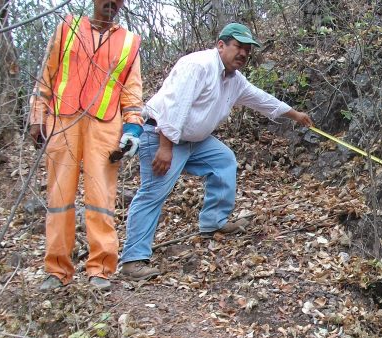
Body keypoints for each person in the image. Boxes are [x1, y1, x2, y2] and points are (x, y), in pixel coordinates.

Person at [119, 23, 313, 280]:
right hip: (161, 135)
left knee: (224, 161)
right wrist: (165, 148)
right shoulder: (198, 66)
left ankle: (213, 222)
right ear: (220, 45)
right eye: (238, 47)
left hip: (195, 141)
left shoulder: (235, 80)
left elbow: (262, 99)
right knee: (154, 193)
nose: (243, 54)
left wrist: (294, 114)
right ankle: (133, 260)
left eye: (247, 50)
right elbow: (172, 107)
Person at [29, 0, 143, 291]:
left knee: (101, 198)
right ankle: (56, 270)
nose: (112, 4)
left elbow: (132, 92)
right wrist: (37, 115)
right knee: (59, 195)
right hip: (62, 121)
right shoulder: (68, 28)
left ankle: (101, 269)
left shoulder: (129, 42)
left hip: (105, 126)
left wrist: (132, 129)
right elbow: (47, 75)